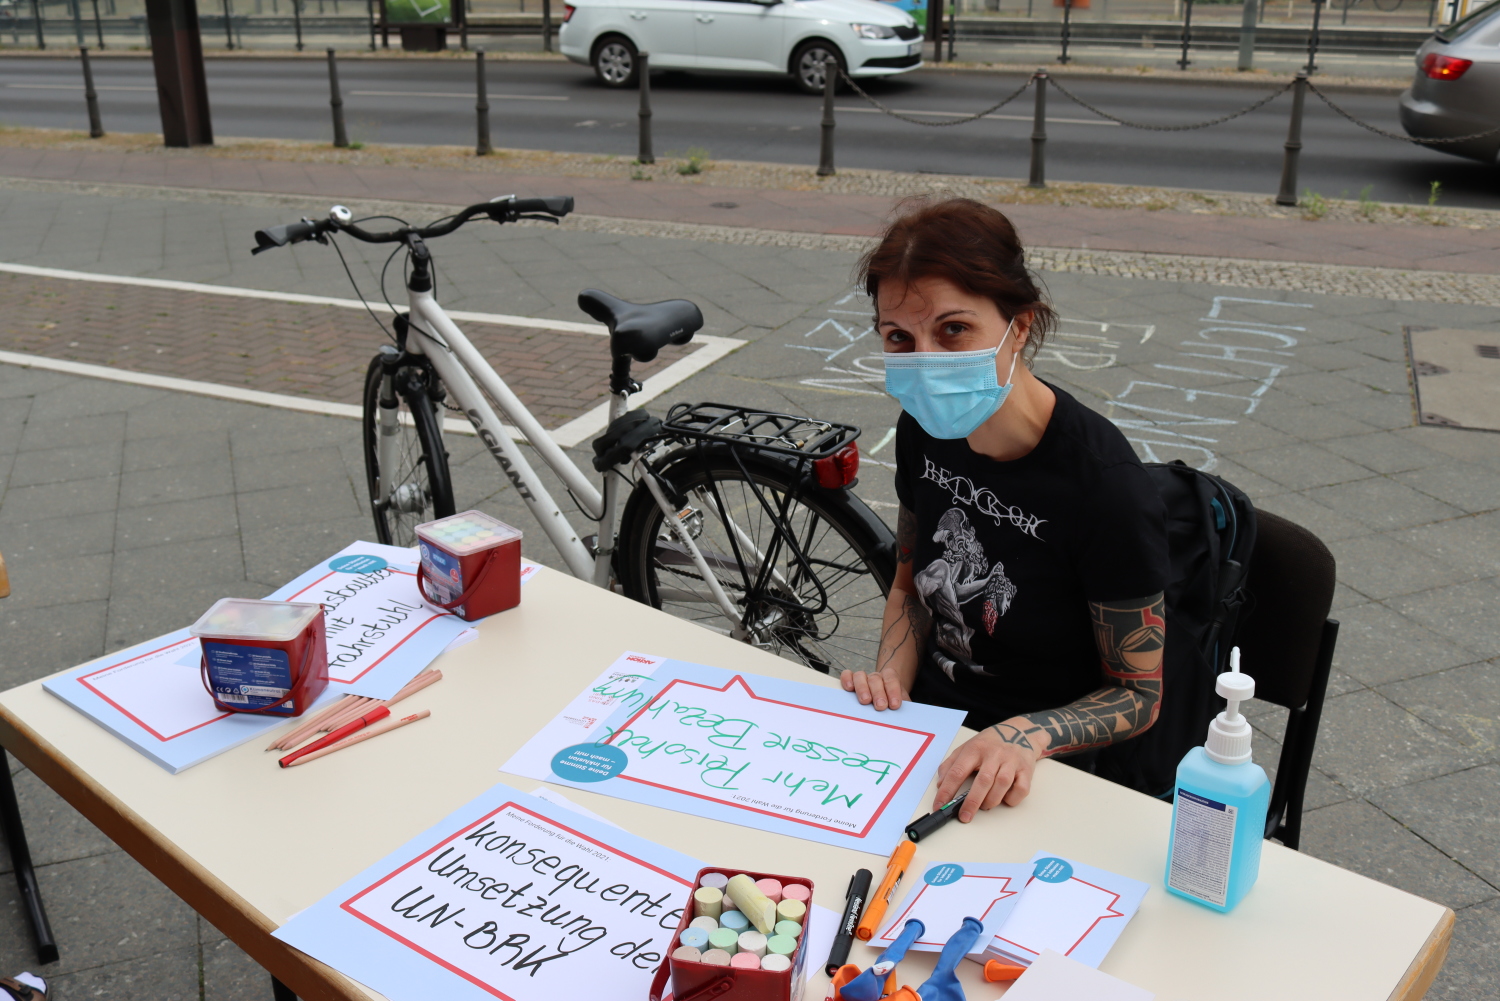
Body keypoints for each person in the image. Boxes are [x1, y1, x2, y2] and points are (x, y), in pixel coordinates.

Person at [840, 198, 1170, 824]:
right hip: (931, 732)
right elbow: (909, 587)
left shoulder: (1105, 487)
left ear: (1019, 325)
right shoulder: (922, 430)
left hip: (1047, 767)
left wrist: (1025, 736)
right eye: (899, 338)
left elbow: (1138, 693)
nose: (926, 360)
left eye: (954, 329)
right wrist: (890, 677)